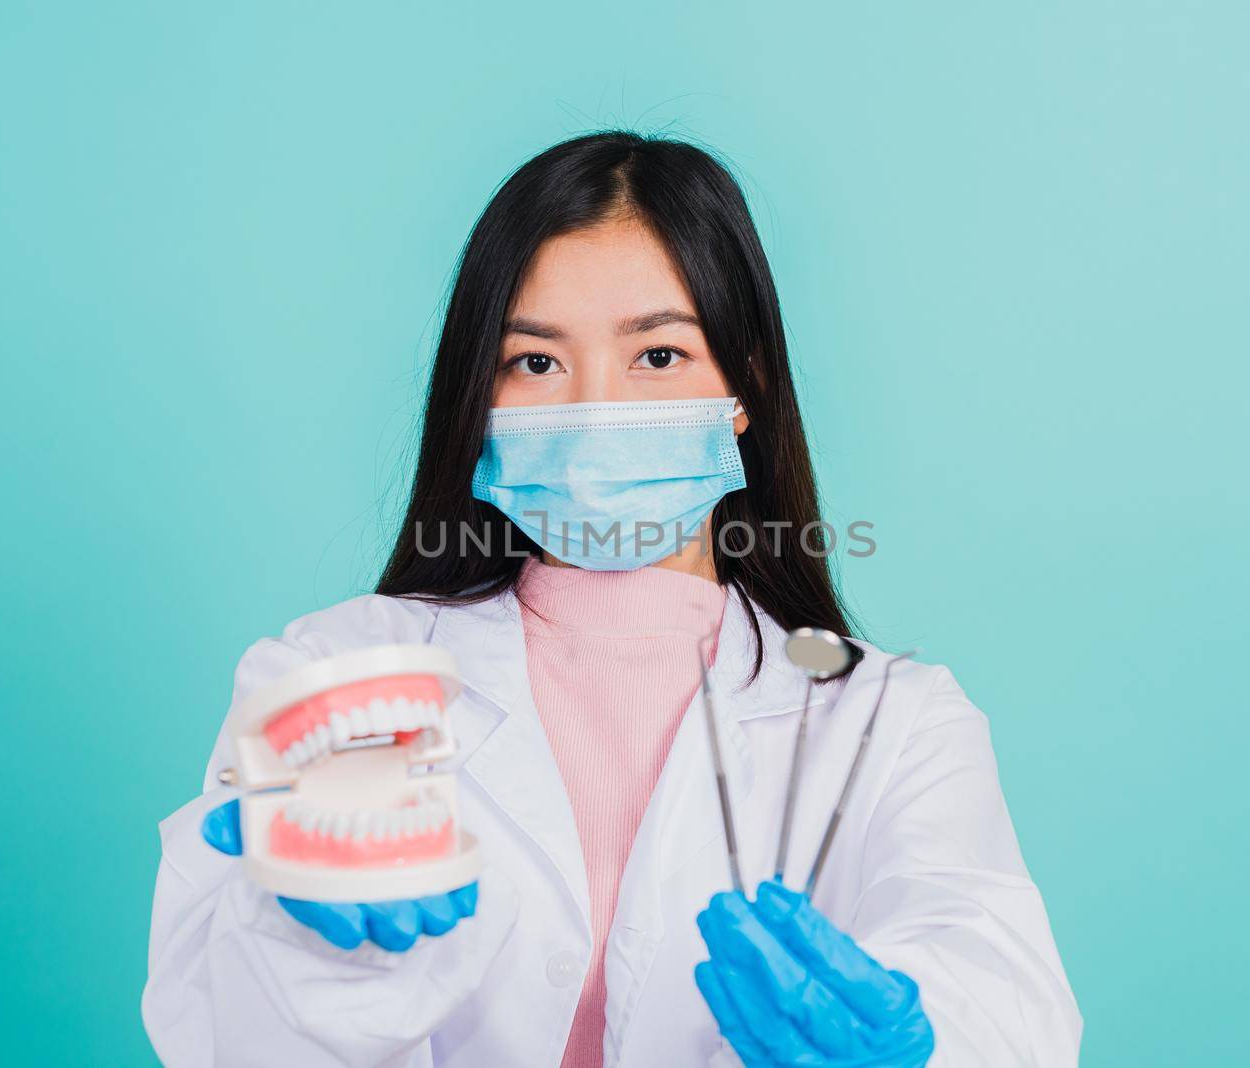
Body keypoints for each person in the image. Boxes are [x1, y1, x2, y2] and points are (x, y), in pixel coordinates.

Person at [141, 131, 1082, 1067]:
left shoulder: (895, 722)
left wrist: (912, 1049)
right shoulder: (340, 680)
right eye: (537, 363)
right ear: (480, 395)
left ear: (746, 382)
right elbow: (217, 1031)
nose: (596, 412)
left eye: (659, 356)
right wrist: (308, 950)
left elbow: (1000, 990)